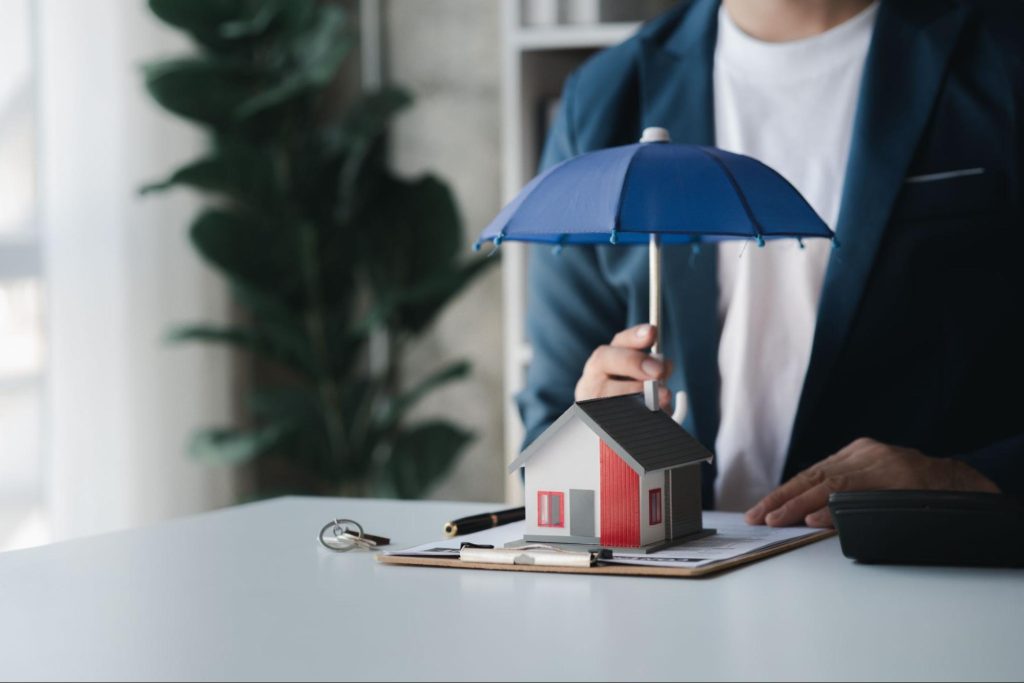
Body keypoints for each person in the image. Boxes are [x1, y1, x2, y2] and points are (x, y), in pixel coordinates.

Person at [517, 0, 1024, 527]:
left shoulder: (1002, 59)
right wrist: (591, 449)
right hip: (686, 560)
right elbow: (550, 420)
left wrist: (962, 479)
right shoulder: (605, 96)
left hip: (929, 554)